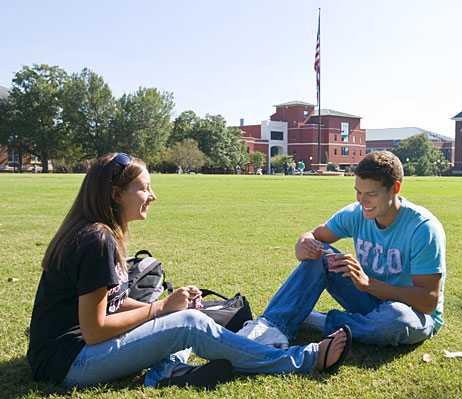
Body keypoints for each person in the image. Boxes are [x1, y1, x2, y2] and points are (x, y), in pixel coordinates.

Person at [27, 152, 351, 389]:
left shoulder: (98, 232)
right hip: (70, 362)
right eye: (144, 188)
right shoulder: (97, 239)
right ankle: (305, 360)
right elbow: (95, 329)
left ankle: (165, 374)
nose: (152, 196)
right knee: (190, 323)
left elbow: (110, 302)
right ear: (115, 194)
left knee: (182, 318)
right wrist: (160, 308)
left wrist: (166, 310)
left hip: (79, 352)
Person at [238, 151, 445, 349]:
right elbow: (314, 236)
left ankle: (319, 321)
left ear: (395, 188)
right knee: (322, 254)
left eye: (371, 194)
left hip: (412, 312)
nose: (362, 201)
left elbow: (428, 301)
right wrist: (304, 243)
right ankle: (272, 325)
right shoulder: (356, 213)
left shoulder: (423, 228)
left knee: (397, 320)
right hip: (368, 299)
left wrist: (369, 284)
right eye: (358, 192)